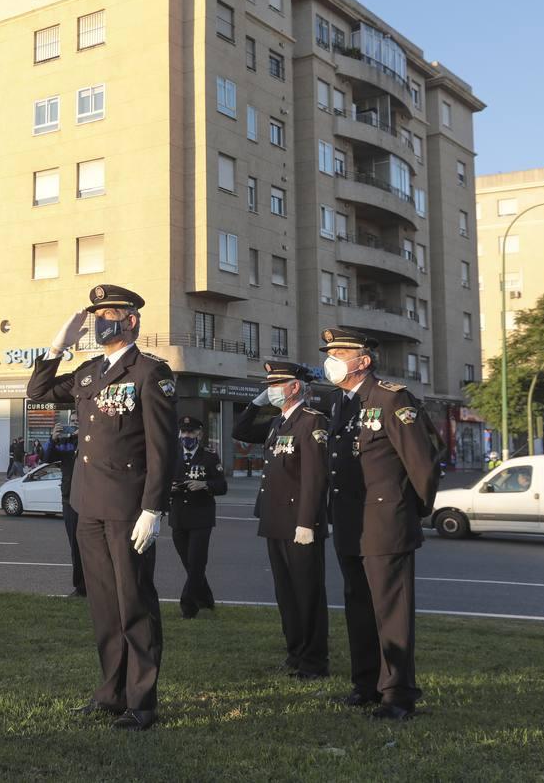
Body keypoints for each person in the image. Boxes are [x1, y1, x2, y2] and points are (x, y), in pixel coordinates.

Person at [28, 284, 178, 732]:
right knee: (104, 606)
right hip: (87, 504)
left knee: (134, 602)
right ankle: (111, 693)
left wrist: (153, 508)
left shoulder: (151, 372)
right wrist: (59, 344)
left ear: (131, 320)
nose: (99, 322)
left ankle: (141, 701)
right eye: (95, 315)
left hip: (127, 507)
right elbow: (37, 390)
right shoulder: (89, 371)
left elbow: (163, 449)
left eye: (108, 313)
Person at [320, 327, 441, 720]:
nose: (331, 359)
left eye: (339, 352)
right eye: (329, 352)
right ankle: (366, 684)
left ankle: (398, 695)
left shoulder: (391, 398)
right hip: (350, 523)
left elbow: (422, 463)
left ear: (363, 361)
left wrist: (411, 512)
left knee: (391, 611)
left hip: (386, 521)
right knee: (359, 606)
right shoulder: (341, 403)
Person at [233, 363, 330, 678]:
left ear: (296, 387)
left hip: (299, 523)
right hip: (275, 519)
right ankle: (295, 653)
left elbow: (314, 478)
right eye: (269, 384)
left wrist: (307, 521)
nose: (272, 388)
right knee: (286, 593)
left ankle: (314, 661)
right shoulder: (278, 422)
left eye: (278, 383)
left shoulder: (311, 422)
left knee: (307, 592)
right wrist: (255, 403)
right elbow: (241, 431)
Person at [168, 416, 227, 619]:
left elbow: (222, 486)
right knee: (189, 563)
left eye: (191, 432)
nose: (186, 436)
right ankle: (206, 598)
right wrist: (170, 488)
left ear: (199, 434)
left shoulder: (209, 457)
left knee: (196, 562)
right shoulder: (172, 455)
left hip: (201, 517)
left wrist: (205, 485)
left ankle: (188, 606)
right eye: (183, 432)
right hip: (178, 517)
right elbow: (160, 481)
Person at [44, 423, 84, 597]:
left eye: (77, 422)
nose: (73, 425)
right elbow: (47, 458)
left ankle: (100, 587)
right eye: (71, 421)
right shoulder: (66, 443)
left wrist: (82, 436)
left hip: (91, 500)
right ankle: (81, 588)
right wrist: (53, 439)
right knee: (75, 546)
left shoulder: (92, 441)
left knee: (95, 547)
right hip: (69, 500)